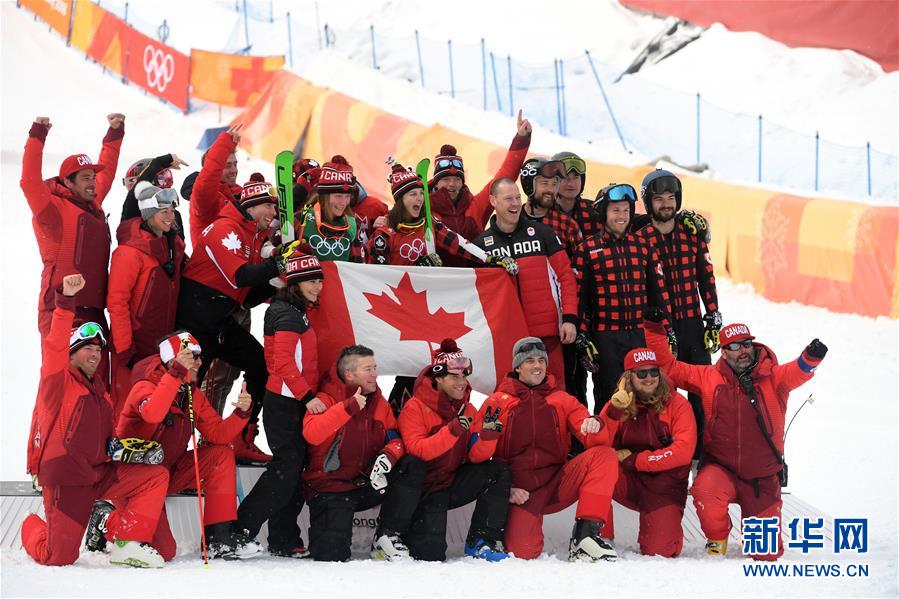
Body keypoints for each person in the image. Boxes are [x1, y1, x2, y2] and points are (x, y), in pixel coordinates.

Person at [643, 318, 828, 559]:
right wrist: (654, 330)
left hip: (762, 477)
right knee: (705, 493)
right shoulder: (709, 377)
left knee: (766, 554)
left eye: (746, 344)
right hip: (721, 469)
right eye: (734, 346)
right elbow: (671, 368)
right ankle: (718, 535)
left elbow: (798, 370)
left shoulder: (774, 377)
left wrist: (811, 356)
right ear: (724, 352)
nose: (742, 350)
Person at [23, 274, 168, 568]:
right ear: (72, 352)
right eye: (87, 347)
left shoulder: (99, 392)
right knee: (58, 557)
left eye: (98, 349)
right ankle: (31, 525)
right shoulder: (58, 381)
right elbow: (54, 347)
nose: (95, 353)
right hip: (67, 480)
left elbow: (96, 436)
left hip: (98, 474)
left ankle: (126, 542)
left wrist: (116, 447)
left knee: (154, 476)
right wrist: (66, 301)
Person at [105, 331, 262, 561]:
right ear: (172, 360)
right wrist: (176, 374)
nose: (199, 362)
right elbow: (153, 413)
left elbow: (218, 434)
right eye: (192, 356)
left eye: (200, 356)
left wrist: (242, 412)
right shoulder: (145, 387)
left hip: (166, 473)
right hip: (134, 479)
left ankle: (218, 538)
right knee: (164, 551)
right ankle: (105, 522)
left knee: (221, 454)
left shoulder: (192, 394)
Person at [177, 180, 293, 463]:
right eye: (268, 206)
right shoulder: (224, 229)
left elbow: (247, 298)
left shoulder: (254, 235)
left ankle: (241, 438)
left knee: (261, 366)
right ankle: (175, 451)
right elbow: (238, 276)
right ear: (251, 206)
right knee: (184, 387)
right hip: (195, 318)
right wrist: (278, 265)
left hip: (219, 319)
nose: (273, 213)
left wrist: (279, 280)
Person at [473, 337, 619, 561]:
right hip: (520, 492)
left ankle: (585, 536)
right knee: (523, 552)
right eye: (530, 360)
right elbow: (476, 457)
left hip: (557, 482)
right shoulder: (497, 402)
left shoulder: (562, 399)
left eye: (541, 360)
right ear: (517, 366)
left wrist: (595, 425)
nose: (537, 365)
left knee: (604, 455)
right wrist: (504, 489)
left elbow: (596, 440)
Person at [236, 247, 326, 558]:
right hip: (285, 403)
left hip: (292, 401)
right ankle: (239, 531)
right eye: (311, 280)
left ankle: (283, 537)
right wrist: (309, 397)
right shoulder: (287, 314)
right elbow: (284, 364)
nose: (317, 286)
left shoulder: (295, 311)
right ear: (295, 283)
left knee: (291, 470)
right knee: (285, 470)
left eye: (319, 280)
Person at [302, 345, 425, 562]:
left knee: (412, 465)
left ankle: (387, 536)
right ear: (349, 374)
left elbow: (396, 439)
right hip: (331, 488)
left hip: (367, 484)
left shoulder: (379, 401)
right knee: (330, 555)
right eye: (368, 369)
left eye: (375, 368)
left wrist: (388, 456)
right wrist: (348, 407)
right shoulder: (325, 398)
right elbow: (312, 434)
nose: (375, 374)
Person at [397, 339, 511, 561]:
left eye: (464, 376)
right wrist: (453, 430)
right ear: (438, 378)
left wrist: (489, 437)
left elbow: (476, 456)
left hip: (450, 483)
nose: (462, 383)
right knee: (430, 555)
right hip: (423, 489)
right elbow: (418, 451)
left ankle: (480, 541)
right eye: (455, 377)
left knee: (497, 470)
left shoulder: (468, 408)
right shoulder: (415, 406)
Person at [634, 169, 720, 461]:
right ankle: (666, 450)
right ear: (649, 202)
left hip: (692, 325)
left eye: (671, 197)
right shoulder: (641, 239)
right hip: (659, 332)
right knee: (660, 394)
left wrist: (713, 315)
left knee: (702, 391)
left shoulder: (691, 234)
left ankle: (703, 454)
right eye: (660, 199)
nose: (667, 204)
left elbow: (706, 278)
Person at [572, 183, 674, 413]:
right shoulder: (587, 250)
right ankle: (606, 446)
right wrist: (583, 337)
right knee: (610, 396)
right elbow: (581, 300)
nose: (622, 216)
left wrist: (668, 329)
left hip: (639, 335)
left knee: (646, 392)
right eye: (616, 210)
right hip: (605, 338)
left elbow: (659, 293)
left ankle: (643, 444)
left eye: (626, 210)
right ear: (603, 213)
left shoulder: (643, 247)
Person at [21, 114, 124, 340]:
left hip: (93, 310)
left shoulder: (92, 203)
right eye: (86, 178)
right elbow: (29, 181)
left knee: (95, 376)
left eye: (93, 177)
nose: (93, 182)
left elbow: (107, 172)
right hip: (60, 308)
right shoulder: (52, 210)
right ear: (68, 182)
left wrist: (114, 134)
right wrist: (38, 134)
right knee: (61, 373)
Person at [473, 178, 578, 387]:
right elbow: (477, 295)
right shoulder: (481, 245)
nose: (515, 204)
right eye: (508, 199)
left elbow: (566, 276)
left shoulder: (542, 233)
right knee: (512, 397)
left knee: (555, 396)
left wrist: (569, 318)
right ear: (493, 201)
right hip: (507, 338)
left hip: (547, 335)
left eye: (517, 198)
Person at [597, 348, 696, 557]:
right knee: (598, 463)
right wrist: (614, 413)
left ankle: (662, 526)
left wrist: (635, 460)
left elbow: (682, 452)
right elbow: (598, 445)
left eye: (654, 372)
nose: (649, 378)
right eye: (641, 373)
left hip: (664, 487)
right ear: (628, 377)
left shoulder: (678, 404)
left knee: (661, 551)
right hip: (630, 482)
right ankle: (600, 536)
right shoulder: (618, 403)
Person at [107, 182, 186, 416]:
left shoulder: (172, 247)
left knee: (156, 407)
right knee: (126, 408)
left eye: (172, 211)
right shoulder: (129, 252)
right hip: (133, 348)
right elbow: (116, 303)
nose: (171, 217)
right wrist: (125, 350)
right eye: (164, 212)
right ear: (149, 214)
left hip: (160, 345)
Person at [518, 157, 591, 408]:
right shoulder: (511, 221)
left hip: (563, 325)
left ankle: (574, 441)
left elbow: (580, 275)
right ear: (529, 184)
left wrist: (576, 320)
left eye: (553, 183)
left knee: (570, 384)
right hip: (522, 321)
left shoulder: (567, 225)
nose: (551, 189)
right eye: (544, 183)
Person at [428, 110, 533, 265]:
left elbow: (503, 178)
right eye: (446, 179)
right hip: (440, 284)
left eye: (457, 179)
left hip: (475, 280)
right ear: (436, 182)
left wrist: (521, 139)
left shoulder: (475, 206)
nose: (451, 184)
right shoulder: (424, 209)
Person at [299, 155, 366, 263]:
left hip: (339, 280)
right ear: (325, 196)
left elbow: (357, 267)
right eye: (338, 196)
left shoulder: (353, 224)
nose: (343, 203)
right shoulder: (303, 218)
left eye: (347, 196)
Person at [187, 124, 242, 246]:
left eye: (235, 164)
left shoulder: (238, 192)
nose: (234, 170)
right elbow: (208, 176)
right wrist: (224, 144)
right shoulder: (204, 200)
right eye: (228, 166)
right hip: (212, 263)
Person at [119, 153, 189, 238]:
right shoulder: (132, 214)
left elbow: (179, 249)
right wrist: (161, 161)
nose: (166, 185)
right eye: (161, 179)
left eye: (166, 177)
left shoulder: (174, 215)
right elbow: (133, 197)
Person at [551, 151, 603, 238]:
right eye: (565, 177)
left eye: (576, 177)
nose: (571, 183)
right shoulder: (544, 215)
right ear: (554, 180)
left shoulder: (595, 211)